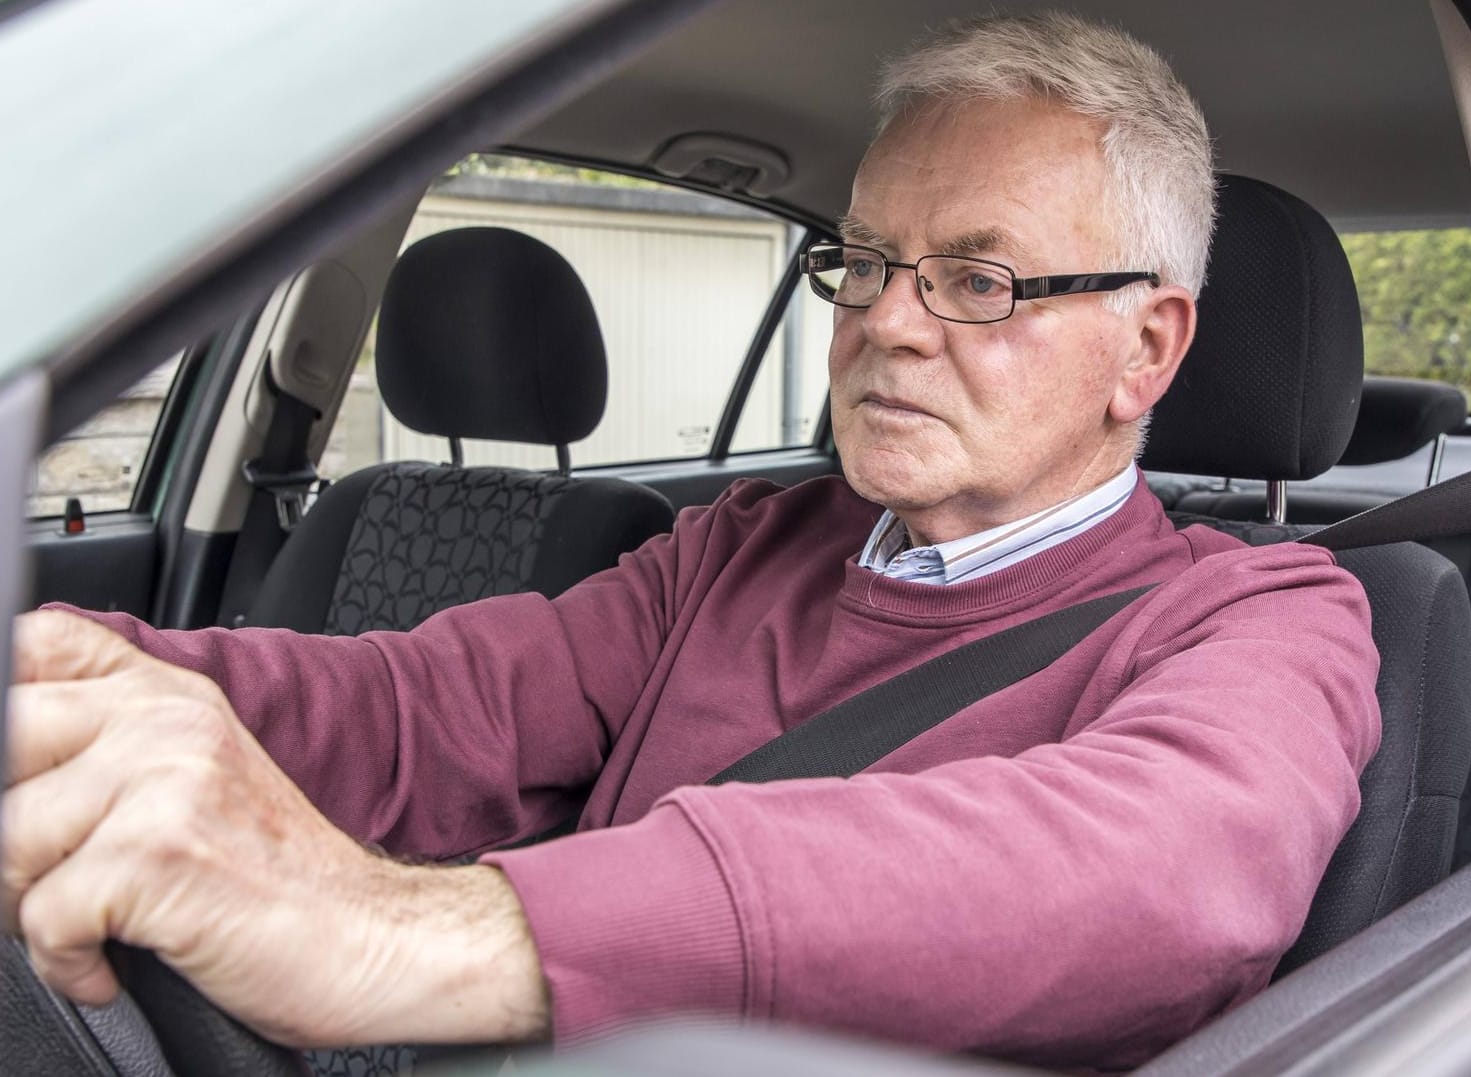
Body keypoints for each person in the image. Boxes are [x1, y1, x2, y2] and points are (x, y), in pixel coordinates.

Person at [1, 12, 1380, 1071]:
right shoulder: (739, 549)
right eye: (868, 262)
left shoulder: (1268, 618)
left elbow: (1156, 876)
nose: (886, 322)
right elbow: (429, 703)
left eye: (978, 279)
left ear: (1147, 345)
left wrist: (399, 930)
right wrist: (69, 689)